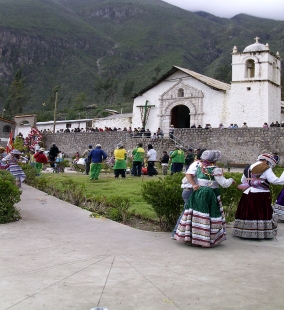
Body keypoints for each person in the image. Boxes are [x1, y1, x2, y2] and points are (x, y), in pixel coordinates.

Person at [174, 150, 236, 247]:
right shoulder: (215, 170)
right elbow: (224, 184)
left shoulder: (200, 167)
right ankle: (204, 239)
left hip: (198, 192)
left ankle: (192, 238)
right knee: (208, 215)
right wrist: (231, 180)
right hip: (210, 194)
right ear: (214, 160)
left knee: (196, 215)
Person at [233, 152, 284, 239]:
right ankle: (259, 233)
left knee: (247, 212)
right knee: (259, 213)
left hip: (248, 194)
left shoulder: (248, 168)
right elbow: (275, 181)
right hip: (261, 194)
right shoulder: (265, 168)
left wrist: (253, 182)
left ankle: (244, 232)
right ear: (267, 161)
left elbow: (243, 180)